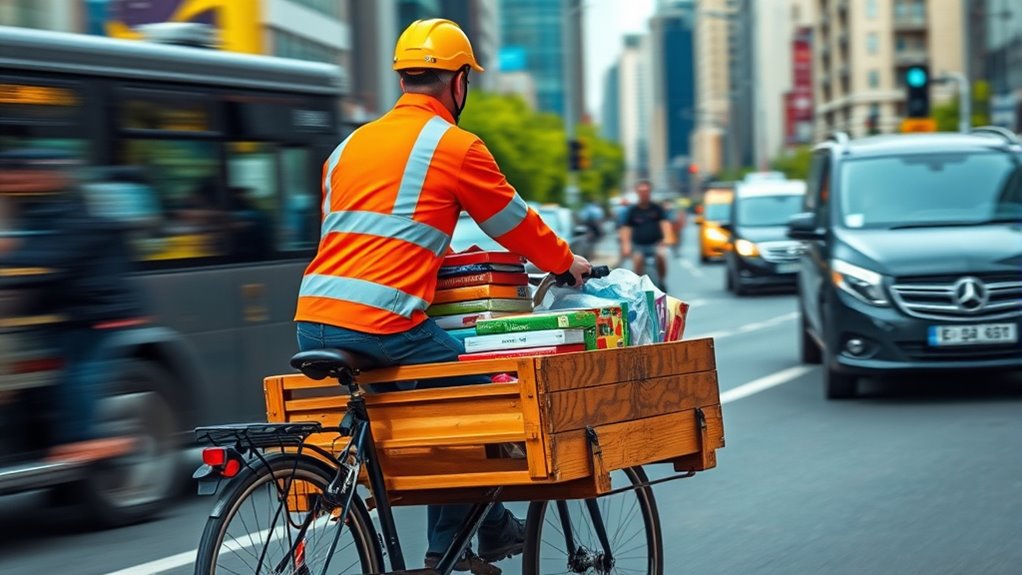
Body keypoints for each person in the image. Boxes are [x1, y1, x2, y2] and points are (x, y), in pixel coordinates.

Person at [293, 19, 592, 574]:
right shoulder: (454, 146)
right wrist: (565, 263)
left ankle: (473, 530)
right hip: (380, 323)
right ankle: (455, 545)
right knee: (483, 397)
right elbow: (514, 224)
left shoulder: (345, 148)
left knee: (422, 409)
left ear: (404, 77)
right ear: (458, 81)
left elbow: (357, 239)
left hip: (312, 319)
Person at [0, 149, 142, 463]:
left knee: (81, 371)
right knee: (70, 372)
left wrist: (9, 254)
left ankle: (92, 440)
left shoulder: (72, 212)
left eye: (14, 176)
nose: (10, 183)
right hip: (75, 310)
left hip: (99, 311)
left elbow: (49, 256)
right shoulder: (49, 208)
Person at [619, 180, 673, 290]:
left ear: (650, 192)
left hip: (655, 244)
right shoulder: (632, 210)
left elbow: (665, 224)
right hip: (638, 245)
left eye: (646, 191)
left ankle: (661, 281)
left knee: (661, 256)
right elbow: (626, 228)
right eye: (641, 191)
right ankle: (638, 286)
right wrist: (626, 246)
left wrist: (667, 238)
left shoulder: (657, 208)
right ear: (637, 193)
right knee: (638, 260)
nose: (644, 194)